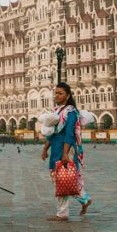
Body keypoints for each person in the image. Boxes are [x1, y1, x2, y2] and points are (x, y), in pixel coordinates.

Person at [41, 82, 91, 221]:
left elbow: (70, 134)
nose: (57, 95)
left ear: (68, 95)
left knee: (61, 178)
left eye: (60, 93)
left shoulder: (71, 112)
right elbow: (52, 133)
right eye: (55, 93)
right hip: (56, 147)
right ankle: (84, 199)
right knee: (64, 178)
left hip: (66, 149)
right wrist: (45, 148)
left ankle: (62, 213)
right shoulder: (57, 111)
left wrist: (65, 153)